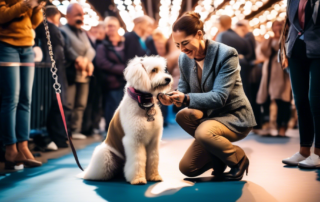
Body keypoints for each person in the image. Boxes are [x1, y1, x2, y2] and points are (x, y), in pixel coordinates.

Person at [159, 12, 256, 181]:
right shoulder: (184, 59)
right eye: (177, 45)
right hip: (209, 120)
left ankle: (238, 158)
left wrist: (186, 98)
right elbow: (183, 89)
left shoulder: (227, 54)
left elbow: (219, 97)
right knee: (188, 168)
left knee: (204, 133)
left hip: (234, 117)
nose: (182, 49)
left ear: (199, 34)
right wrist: (172, 97)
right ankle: (220, 156)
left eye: (185, 43)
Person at [0, 0, 45, 169]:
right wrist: (27, 4)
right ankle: (10, 149)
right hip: (6, 45)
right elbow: (2, 15)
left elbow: (33, 23)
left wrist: (37, 7)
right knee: (11, 98)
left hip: (27, 46)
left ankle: (24, 147)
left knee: (26, 99)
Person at [282, 0, 320, 168]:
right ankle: (304, 150)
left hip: (318, 50)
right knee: (300, 101)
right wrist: (284, 50)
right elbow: (289, 23)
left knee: (316, 101)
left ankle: (318, 153)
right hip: (295, 50)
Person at [59, 3, 96, 140]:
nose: (80, 17)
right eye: (77, 14)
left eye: (82, 14)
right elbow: (67, 49)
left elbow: (91, 50)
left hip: (84, 73)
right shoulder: (63, 31)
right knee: (68, 103)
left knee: (81, 104)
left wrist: (85, 61)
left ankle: (76, 129)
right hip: (71, 73)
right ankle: (65, 132)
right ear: (68, 16)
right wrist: (78, 59)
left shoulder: (82, 32)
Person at [256, 21, 292, 137]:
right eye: (276, 25)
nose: (278, 27)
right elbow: (264, 52)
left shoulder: (288, 38)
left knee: (283, 101)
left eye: (280, 24)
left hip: (283, 73)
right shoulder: (269, 40)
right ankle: (268, 127)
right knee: (266, 99)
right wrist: (271, 39)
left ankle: (282, 127)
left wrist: (280, 37)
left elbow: (284, 50)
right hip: (269, 74)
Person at [95, 16, 126, 131]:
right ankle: (111, 132)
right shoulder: (102, 45)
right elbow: (102, 63)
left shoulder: (125, 43)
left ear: (118, 27)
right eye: (108, 26)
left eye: (113, 25)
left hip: (126, 81)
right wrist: (122, 69)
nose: (111, 28)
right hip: (111, 82)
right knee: (112, 108)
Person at [216, 15, 253, 101]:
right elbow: (249, 52)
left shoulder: (222, 35)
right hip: (243, 68)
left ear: (220, 23)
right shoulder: (239, 37)